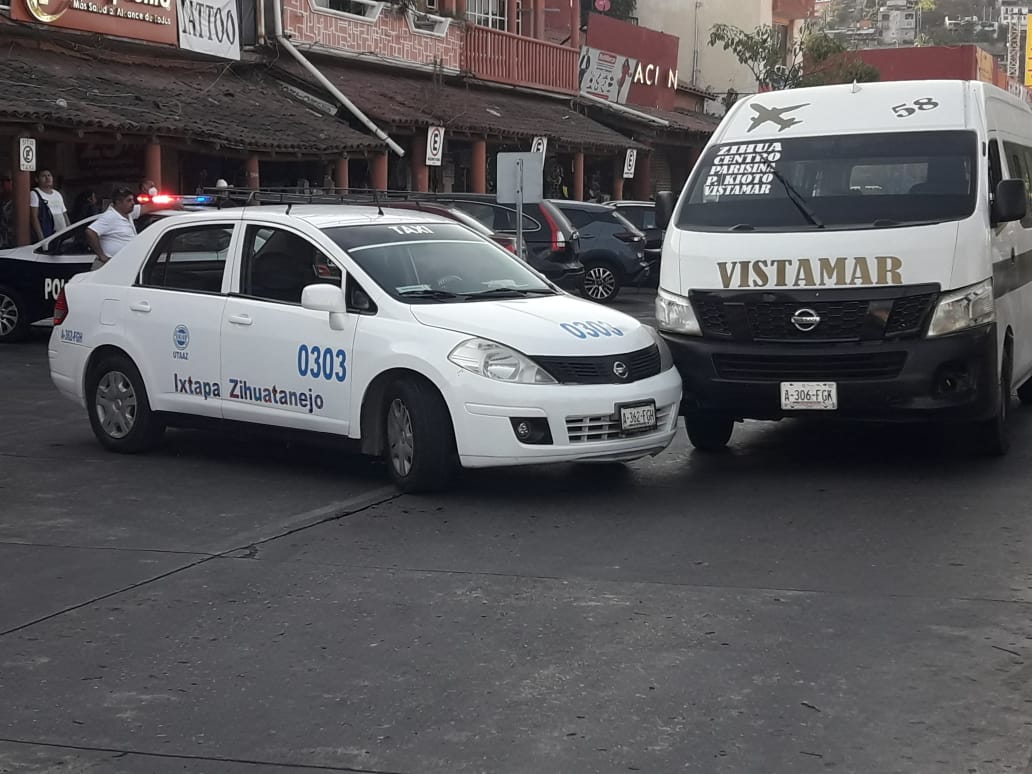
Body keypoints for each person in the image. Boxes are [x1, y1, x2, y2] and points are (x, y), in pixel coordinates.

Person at [86, 187, 180, 270]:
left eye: (132, 200)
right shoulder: (110, 216)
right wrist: (102, 256)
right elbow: (90, 231)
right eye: (129, 200)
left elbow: (147, 207)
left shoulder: (128, 213)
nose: (133, 203)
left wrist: (171, 205)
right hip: (107, 267)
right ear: (118, 203)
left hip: (121, 266)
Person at [30, 170, 69, 241]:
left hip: (62, 234)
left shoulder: (57, 194)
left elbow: (64, 214)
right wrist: (41, 238)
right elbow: (34, 217)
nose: (47, 178)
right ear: (37, 179)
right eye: (43, 176)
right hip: (48, 233)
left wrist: (69, 231)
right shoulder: (34, 193)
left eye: (49, 175)